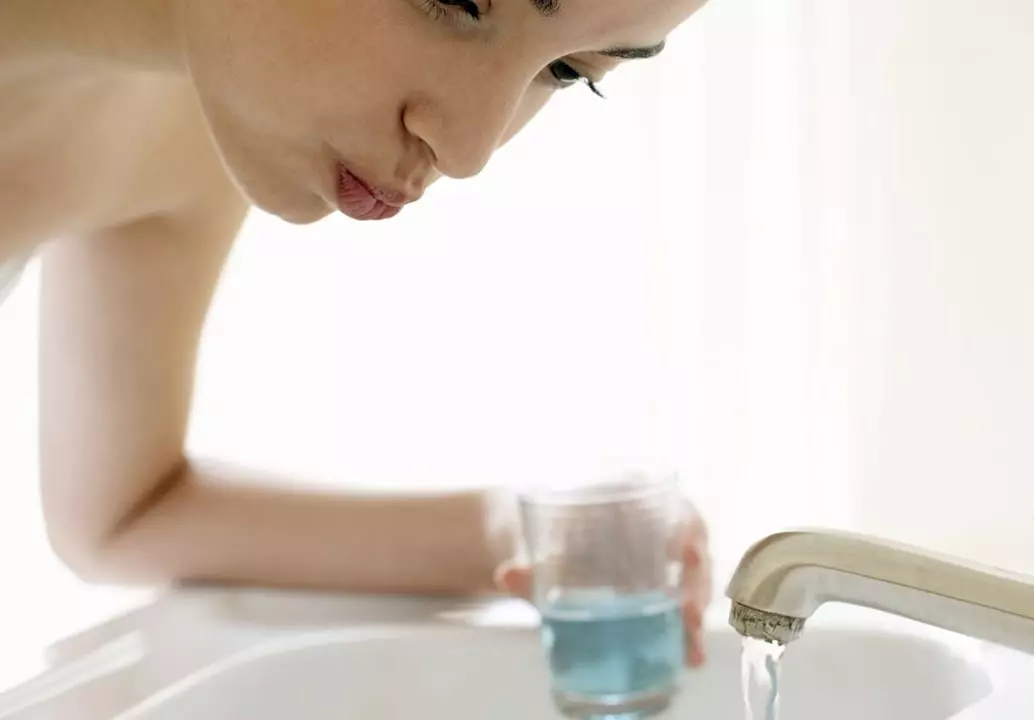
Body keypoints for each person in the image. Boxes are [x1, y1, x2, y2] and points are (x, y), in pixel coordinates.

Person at [0, 0, 712, 667]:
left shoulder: (180, 125)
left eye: (568, 71)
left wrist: (522, 534)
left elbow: (125, 514)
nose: (469, 149)